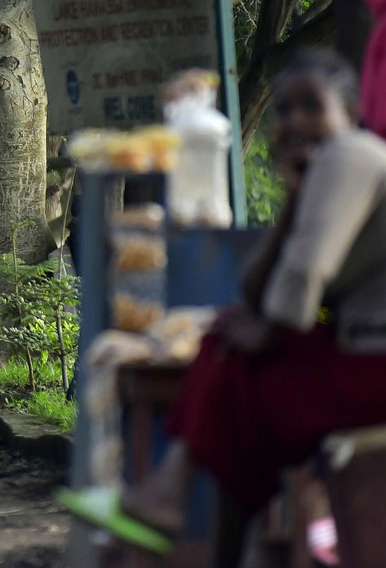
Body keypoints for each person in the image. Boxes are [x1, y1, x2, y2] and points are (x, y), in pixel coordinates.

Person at [65, 50, 386, 566]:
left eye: (311, 106)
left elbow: (306, 275)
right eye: (283, 110)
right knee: (230, 361)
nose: (294, 121)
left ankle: (175, 498)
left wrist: (269, 334)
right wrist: (290, 206)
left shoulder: (350, 155)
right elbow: (256, 286)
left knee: (231, 363)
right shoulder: (327, 171)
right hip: (360, 353)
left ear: (348, 112)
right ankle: (186, 510)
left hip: (372, 364)